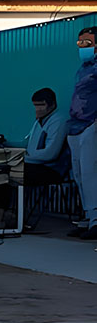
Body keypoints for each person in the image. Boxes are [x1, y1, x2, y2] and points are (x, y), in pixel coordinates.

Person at [67, 27, 97, 239]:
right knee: (79, 174)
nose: (82, 47)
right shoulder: (83, 68)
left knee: (90, 173)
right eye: (80, 43)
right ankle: (88, 216)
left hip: (91, 124)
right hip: (76, 125)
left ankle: (96, 219)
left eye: (87, 43)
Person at [23, 88, 68, 187]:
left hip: (52, 169)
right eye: (36, 105)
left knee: (12, 172)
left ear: (52, 104)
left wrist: (23, 157)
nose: (38, 109)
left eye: (42, 105)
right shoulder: (40, 120)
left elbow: (50, 155)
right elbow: (27, 143)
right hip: (36, 165)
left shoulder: (59, 120)